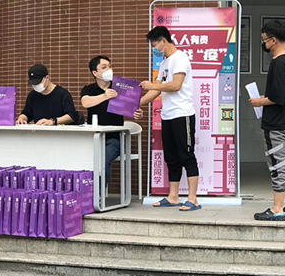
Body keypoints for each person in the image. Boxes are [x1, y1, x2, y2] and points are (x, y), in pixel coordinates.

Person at [139, 26, 201, 211]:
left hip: (182, 114)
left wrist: (152, 85)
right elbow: (157, 90)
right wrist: (136, 104)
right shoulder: (165, 62)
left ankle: (193, 199)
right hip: (168, 115)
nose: (154, 49)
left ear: (164, 41)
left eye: (154, 45)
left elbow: (175, 85)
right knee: (171, 158)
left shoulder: (180, 58)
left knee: (187, 156)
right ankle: (173, 197)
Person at [249, 20, 285, 221]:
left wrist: (259, 101)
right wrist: (268, 97)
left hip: (277, 124)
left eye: (264, 40)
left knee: (277, 164)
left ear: (273, 40)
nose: (263, 43)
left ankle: (277, 208)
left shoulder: (278, 63)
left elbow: (277, 97)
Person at [80, 55, 143, 189]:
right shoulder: (89, 89)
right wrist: (104, 96)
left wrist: (137, 113)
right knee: (83, 159)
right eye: (104, 67)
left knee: (103, 160)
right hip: (94, 138)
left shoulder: (120, 88)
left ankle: (98, 194)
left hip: (115, 138)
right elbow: (85, 102)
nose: (109, 70)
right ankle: (86, 191)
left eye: (110, 66)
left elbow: (132, 107)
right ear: (95, 73)